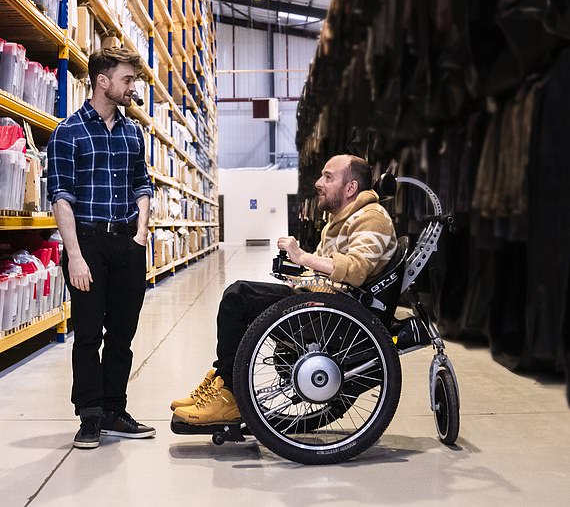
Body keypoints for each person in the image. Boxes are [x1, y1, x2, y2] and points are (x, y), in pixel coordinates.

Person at [171, 154, 402, 425]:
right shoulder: (342, 219)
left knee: (238, 297)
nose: (318, 183)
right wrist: (298, 274)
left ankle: (229, 395)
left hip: (336, 317)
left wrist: (303, 257)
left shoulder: (371, 217)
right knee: (241, 295)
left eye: (328, 177)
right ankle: (222, 381)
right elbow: (324, 269)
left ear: (351, 188)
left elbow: (357, 269)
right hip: (324, 305)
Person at [47, 47, 156, 449]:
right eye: (127, 80)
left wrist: (141, 232)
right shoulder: (68, 132)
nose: (133, 88)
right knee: (89, 334)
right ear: (102, 81)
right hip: (88, 244)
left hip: (128, 242)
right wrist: (74, 254)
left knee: (123, 334)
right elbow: (61, 197)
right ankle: (90, 415)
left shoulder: (133, 132)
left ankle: (115, 409)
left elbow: (142, 184)